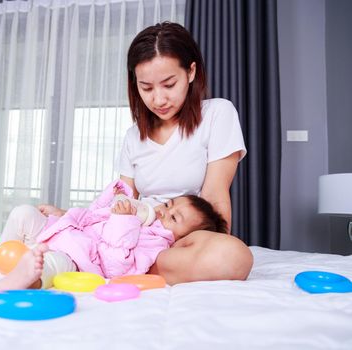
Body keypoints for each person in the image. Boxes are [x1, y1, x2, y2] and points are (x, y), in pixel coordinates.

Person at [38, 22, 253, 285]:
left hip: (178, 239)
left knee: (233, 256)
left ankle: (116, 264)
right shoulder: (133, 136)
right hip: (132, 233)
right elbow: (121, 199)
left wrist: (212, 243)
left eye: (169, 84)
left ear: (191, 72)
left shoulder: (218, 113)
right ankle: (114, 260)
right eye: (147, 88)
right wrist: (76, 217)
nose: (159, 99)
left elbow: (214, 196)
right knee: (51, 223)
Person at [0, 180, 227, 291]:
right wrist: (113, 194)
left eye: (173, 218)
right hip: (64, 231)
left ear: (182, 239)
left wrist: (123, 220)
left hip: (80, 257)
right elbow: (94, 214)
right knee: (23, 212)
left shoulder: (155, 244)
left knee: (51, 265)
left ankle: (25, 279)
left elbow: (116, 265)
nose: (164, 211)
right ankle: (1, 253)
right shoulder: (141, 211)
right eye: (170, 204)